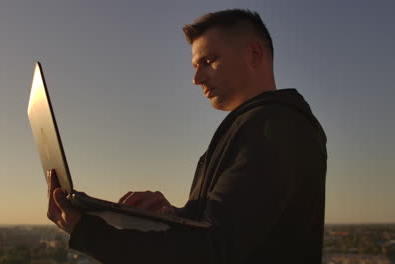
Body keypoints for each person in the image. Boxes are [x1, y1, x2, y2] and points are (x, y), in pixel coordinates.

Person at [46, 9, 327, 264]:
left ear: (254, 54)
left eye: (208, 60)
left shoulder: (274, 126)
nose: (197, 78)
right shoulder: (255, 126)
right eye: (195, 65)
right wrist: (174, 217)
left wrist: (86, 231)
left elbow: (212, 250)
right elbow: (227, 232)